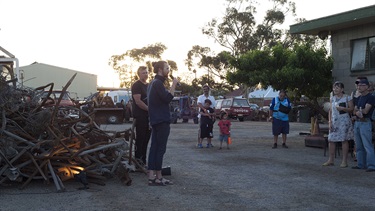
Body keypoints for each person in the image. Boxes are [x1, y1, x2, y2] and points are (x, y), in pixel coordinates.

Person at [147, 60, 178, 185]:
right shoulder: (158, 83)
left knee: (154, 147)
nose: (168, 70)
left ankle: (151, 176)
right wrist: (174, 84)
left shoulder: (152, 84)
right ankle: (159, 177)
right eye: (167, 68)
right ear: (160, 69)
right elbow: (167, 98)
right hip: (161, 120)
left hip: (155, 120)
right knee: (160, 148)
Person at [322, 81, 354, 167]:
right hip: (334, 121)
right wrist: (329, 122)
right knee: (331, 139)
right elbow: (330, 111)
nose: (335, 89)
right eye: (334, 87)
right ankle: (330, 160)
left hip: (344, 121)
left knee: (344, 140)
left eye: (337, 87)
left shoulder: (347, 98)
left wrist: (343, 108)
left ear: (342, 89)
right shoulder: (332, 98)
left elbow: (351, 109)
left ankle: (344, 161)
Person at [351, 78, 375, 172]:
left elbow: (366, 111)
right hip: (357, 123)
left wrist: (358, 111)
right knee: (359, 145)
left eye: (361, 85)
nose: (359, 87)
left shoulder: (371, 97)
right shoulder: (359, 97)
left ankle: (371, 165)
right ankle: (361, 164)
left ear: (367, 87)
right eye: (358, 85)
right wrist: (358, 112)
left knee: (367, 145)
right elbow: (354, 110)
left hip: (365, 122)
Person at [131, 66, 151, 167]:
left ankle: (143, 161)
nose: (146, 74)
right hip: (140, 116)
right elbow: (138, 101)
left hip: (149, 117)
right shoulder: (136, 85)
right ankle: (137, 161)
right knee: (140, 139)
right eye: (143, 73)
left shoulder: (149, 85)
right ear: (138, 74)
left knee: (147, 139)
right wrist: (149, 109)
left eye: (147, 72)